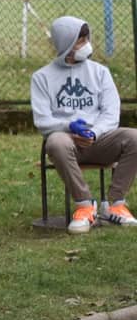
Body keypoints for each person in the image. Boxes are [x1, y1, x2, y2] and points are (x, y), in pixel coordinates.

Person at [32, 16, 137, 234]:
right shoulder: (41, 77)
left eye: (86, 39)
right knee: (56, 142)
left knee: (134, 138)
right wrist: (69, 127)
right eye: (80, 41)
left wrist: (94, 133)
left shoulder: (100, 72)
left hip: (100, 140)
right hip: (67, 142)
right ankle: (85, 206)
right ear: (66, 44)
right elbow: (42, 121)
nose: (86, 45)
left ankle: (115, 205)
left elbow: (111, 113)